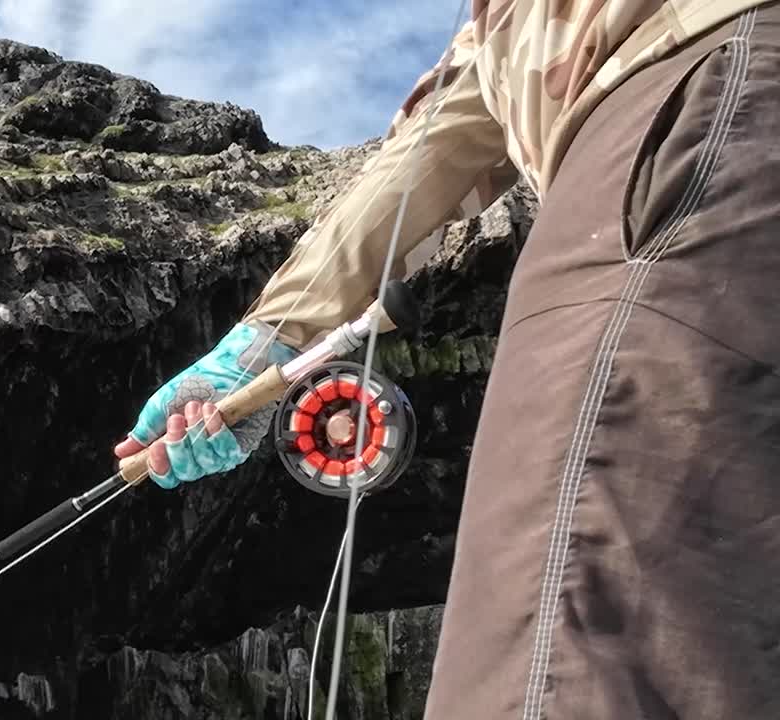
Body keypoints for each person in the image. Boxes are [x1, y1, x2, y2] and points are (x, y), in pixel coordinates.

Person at [116, 0, 780, 717]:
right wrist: (263, 346)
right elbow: (439, 142)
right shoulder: (497, 31)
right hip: (707, 125)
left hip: (694, 102)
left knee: (561, 650)